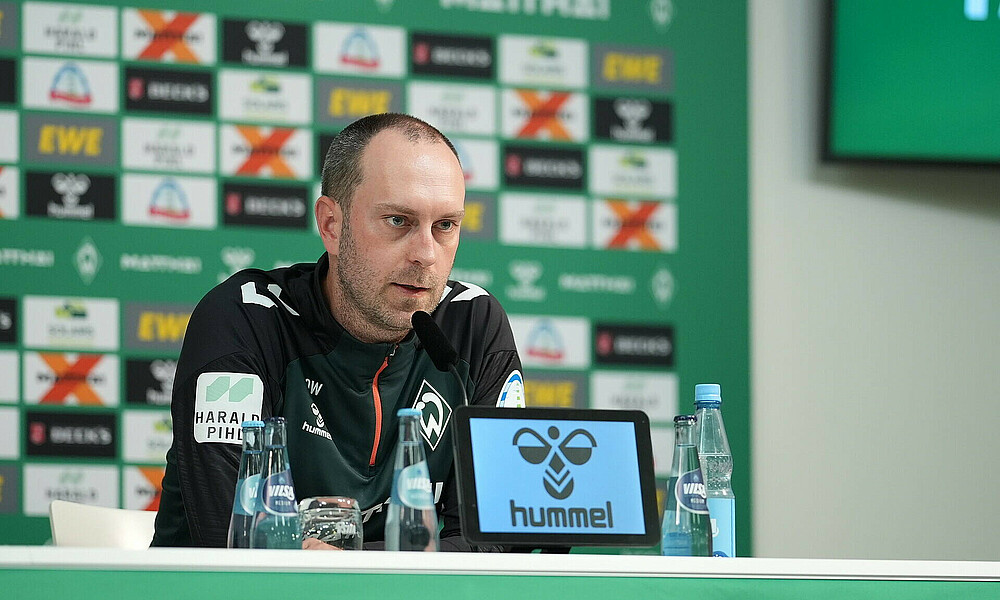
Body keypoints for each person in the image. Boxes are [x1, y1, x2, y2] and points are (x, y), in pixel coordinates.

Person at [151, 113, 524, 550]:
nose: (426, 254)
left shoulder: (472, 324)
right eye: (398, 221)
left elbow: (496, 542)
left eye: (445, 225)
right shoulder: (245, 320)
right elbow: (236, 546)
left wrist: (335, 560)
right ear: (331, 224)